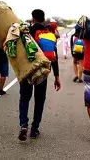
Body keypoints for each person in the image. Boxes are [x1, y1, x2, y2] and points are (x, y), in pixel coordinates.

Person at [18, 9, 61, 141]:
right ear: (43, 18)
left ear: (33, 18)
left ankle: (24, 125)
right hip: (42, 71)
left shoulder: (26, 32)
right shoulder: (49, 33)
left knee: (24, 98)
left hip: (27, 70)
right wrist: (57, 77)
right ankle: (34, 129)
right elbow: (54, 56)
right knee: (39, 100)